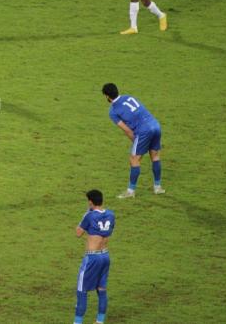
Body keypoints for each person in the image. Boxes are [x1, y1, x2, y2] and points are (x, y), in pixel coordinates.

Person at [102, 83, 166, 198]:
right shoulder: (128, 97)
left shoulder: (113, 111)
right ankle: (158, 187)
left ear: (107, 96)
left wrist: (137, 143)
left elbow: (127, 130)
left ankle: (130, 191)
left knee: (134, 159)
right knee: (155, 156)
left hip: (143, 130)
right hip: (155, 125)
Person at [73, 190, 115, 324]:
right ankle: (99, 321)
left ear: (90, 202)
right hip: (105, 256)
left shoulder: (89, 216)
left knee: (82, 291)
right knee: (102, 290)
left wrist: (87, 212)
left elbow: (78, 233)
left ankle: (77, 322)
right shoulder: (111, 214)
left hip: (92, 258)